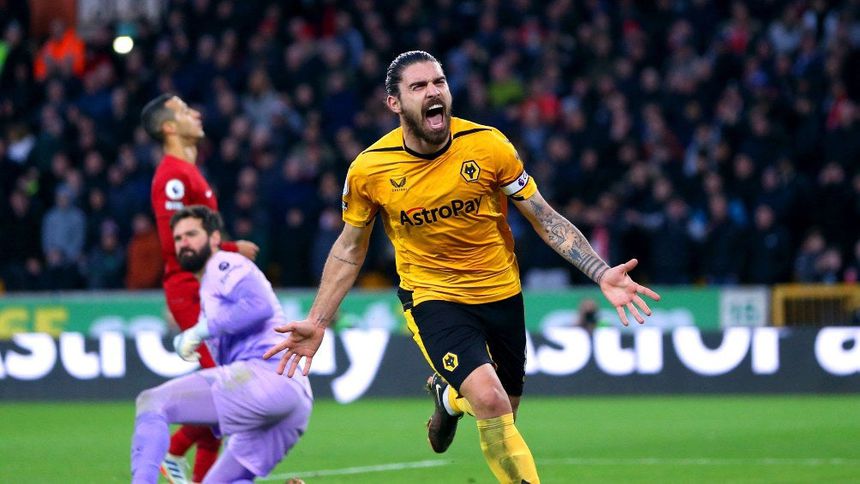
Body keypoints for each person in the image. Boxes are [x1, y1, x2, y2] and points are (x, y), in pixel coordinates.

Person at [264, 51, 660, 483]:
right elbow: (349, 248)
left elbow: (543, 217)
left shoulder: (488, 145)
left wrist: (600, 272)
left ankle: (449, 398)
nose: (433, 92)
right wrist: (318, 321)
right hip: (433, 296)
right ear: (394, 103)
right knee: (491, 400)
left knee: (505, 407)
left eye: (439, 82)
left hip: (501, 292)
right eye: (418, 86)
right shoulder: (370, 169)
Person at [130, 205, 312, 483]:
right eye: (178, 238)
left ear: (215, 237)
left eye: (192, 234)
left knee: (152, 401)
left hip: (266, 375)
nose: (184, 243)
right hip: (292, 395)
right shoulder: (209, 289)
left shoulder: (222, 264)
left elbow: (259, 305)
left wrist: (200, 330)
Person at [142, 93, 260, 483]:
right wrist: (232, 248)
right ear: (168, 128)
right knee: (227, 390)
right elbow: (175, 242)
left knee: (223, 395)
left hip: (208, 288)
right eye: (183, 110)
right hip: (190, 291)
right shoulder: (173, 176)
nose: (195, 112)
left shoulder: (189, 171)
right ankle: (173, 450)